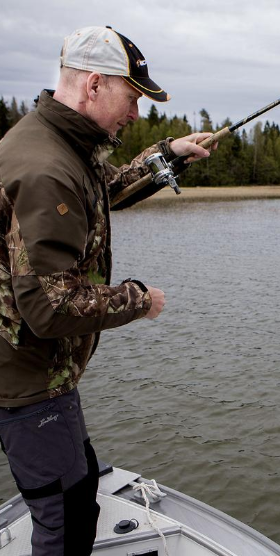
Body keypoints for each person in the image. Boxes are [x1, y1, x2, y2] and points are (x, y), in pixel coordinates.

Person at [0, 26, 214, 555]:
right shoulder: (48, 168)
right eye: (132, 97)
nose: (138, 112)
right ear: (94, 84)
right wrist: (140, 300)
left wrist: (170, 155)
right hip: (28, 380)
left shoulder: (62, 143)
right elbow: (51, 308)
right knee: (67, 519)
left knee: (80, 489)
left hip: (31, 373)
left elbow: (106, 188)